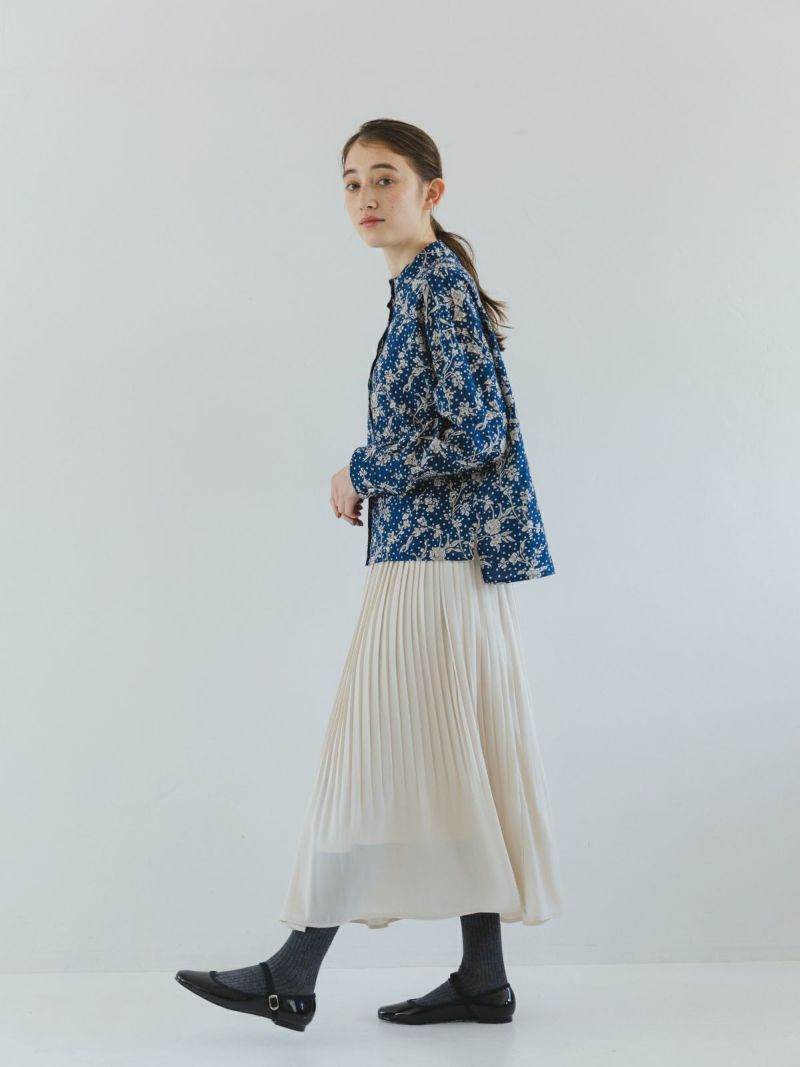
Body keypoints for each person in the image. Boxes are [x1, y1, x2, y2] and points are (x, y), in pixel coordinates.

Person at [175, 118, 564, 1033]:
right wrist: (373, 473)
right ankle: (481, 978)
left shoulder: (436, 286)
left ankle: (292, 971)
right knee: (446, 760)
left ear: (432, 191)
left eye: (384, 178)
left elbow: (479, 432)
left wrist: (364, 470)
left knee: (369, 758)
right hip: (429, 561)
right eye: (351, 182)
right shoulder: (422, 287)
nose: (365, 198)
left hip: (432, 568)